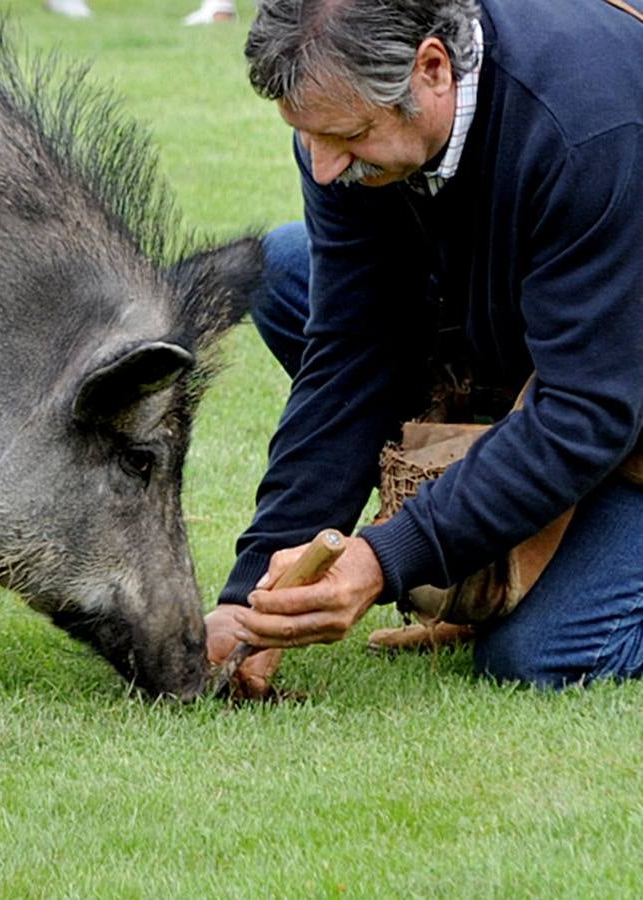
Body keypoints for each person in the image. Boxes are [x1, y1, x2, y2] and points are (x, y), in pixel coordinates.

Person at [206, 0, 643, 696]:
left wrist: (387, 558)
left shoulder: (591, 129)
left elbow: (590, 410)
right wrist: (252, 598)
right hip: (555, 349)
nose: (322, 168)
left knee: (539, 657)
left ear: (433, 68)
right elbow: (355, 351)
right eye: (306, 135)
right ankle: (514, 508)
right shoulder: (347, 113)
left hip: (619, 389)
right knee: (289, 268)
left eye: (346, 135)